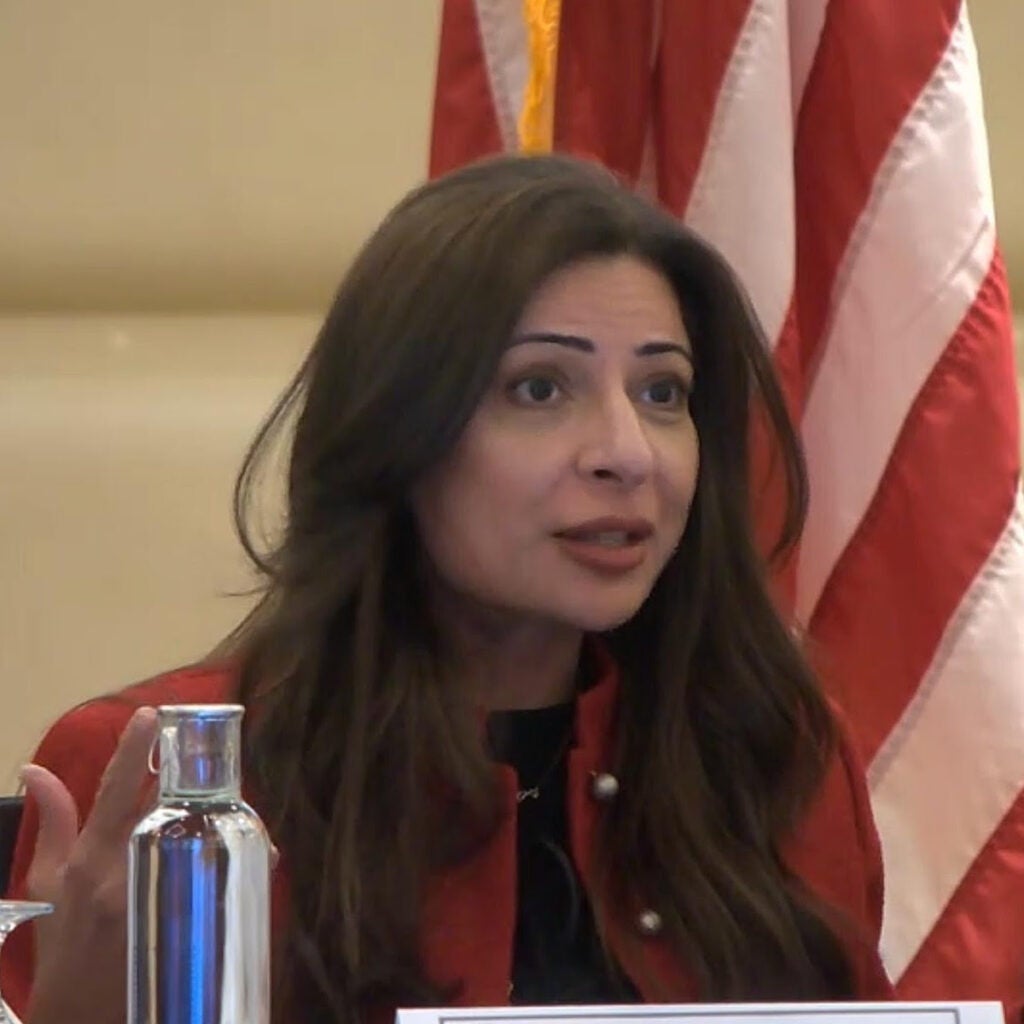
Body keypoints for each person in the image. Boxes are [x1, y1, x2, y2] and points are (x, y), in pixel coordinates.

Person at [0, 153, 893, 1024]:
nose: (628, 453)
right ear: (399, 429)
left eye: (663, 392)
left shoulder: (772, 756)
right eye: (539, 388)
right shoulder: (166, 779)